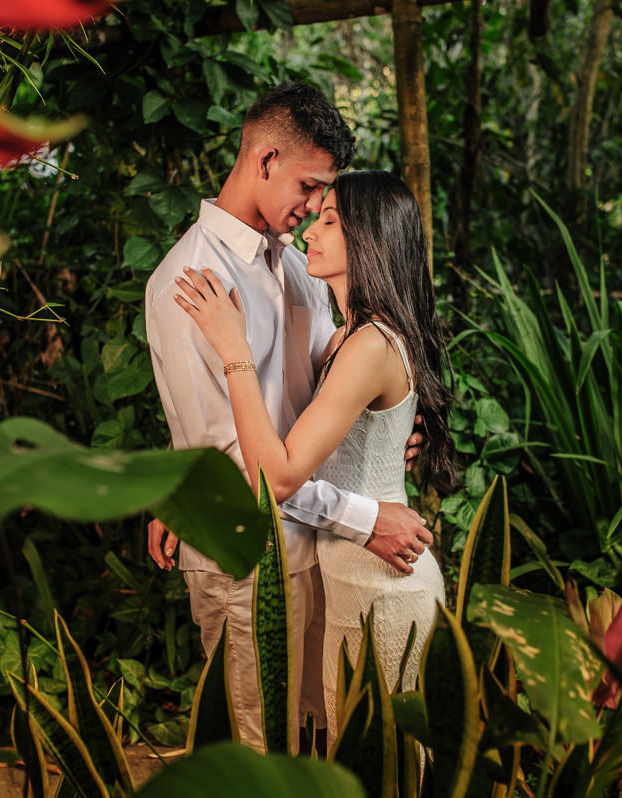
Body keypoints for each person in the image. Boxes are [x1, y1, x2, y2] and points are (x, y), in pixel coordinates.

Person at [144, 83, 432, 753]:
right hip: (250, 563)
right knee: (262, 750)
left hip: (321, 553)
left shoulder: (296, 266)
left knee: (327, 742)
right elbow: (240, 469)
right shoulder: (190, 281)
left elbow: (333, 377)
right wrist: (367, 520)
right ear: (265, 159)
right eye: (309, 187)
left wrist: (384, 430)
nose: (312, 210)